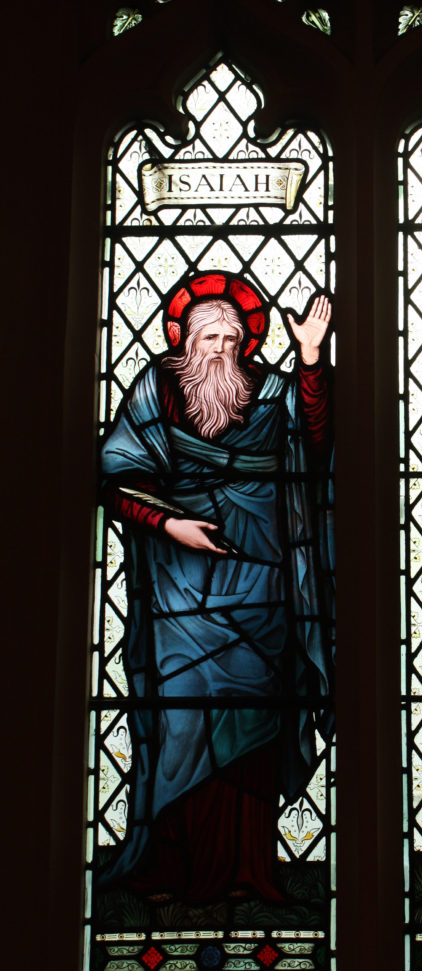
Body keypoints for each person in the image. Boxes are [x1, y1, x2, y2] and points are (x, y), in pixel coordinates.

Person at [99, 272, 334, 903]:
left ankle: (247, 873)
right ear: (183, 338)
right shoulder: (157, 388)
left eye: (232, 338)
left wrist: (311, 358)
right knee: (180, 716)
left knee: (256, 718)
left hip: (264, 576)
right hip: (181, 583)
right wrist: (169, 522)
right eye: (208, 336)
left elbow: (317, 442)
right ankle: (171, 867)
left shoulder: (273, 389)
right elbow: (116, 473)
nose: (220, 349)